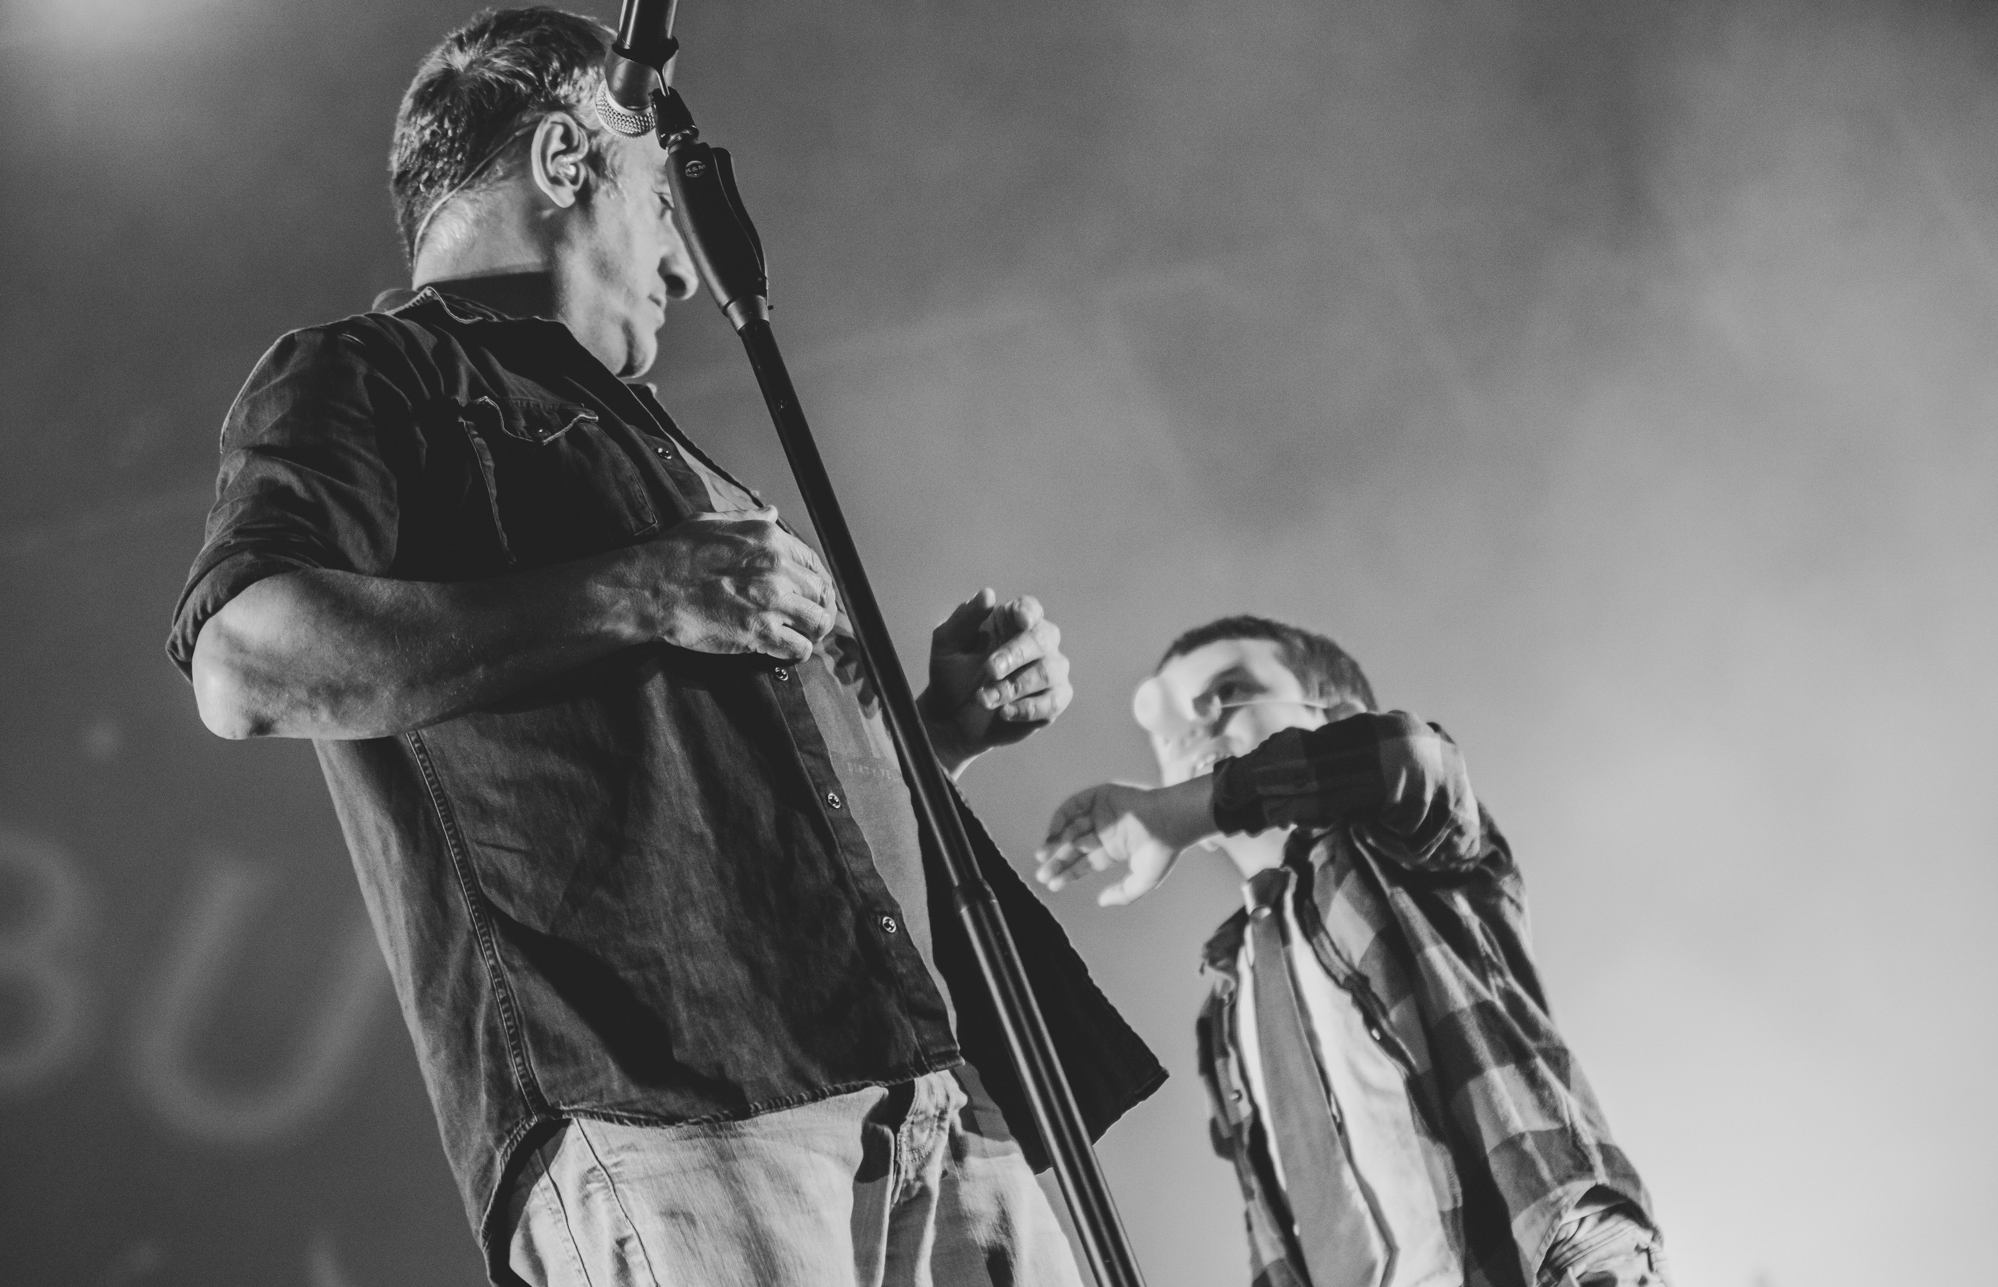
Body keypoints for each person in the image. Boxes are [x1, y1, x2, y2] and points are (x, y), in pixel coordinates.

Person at [166, 9, 1162, 1284]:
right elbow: (246, 662)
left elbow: (723, 778)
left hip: (930, 1088)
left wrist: (936, 734)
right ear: (565, 159)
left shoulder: (649, 443)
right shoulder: (373, 373)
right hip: (677, 1106)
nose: (687, 268)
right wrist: (637, 590)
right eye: (657, 198)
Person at [1036, 616, 1665, 1287]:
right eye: (1169, 729)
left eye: (1228, 691)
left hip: (1537, 1261)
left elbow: (1404, 756)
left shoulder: (1404, 847)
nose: (1194, 727)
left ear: (1335, 712)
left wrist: (1194, 804)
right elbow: (1273, 1226)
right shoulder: (1226, 1001)